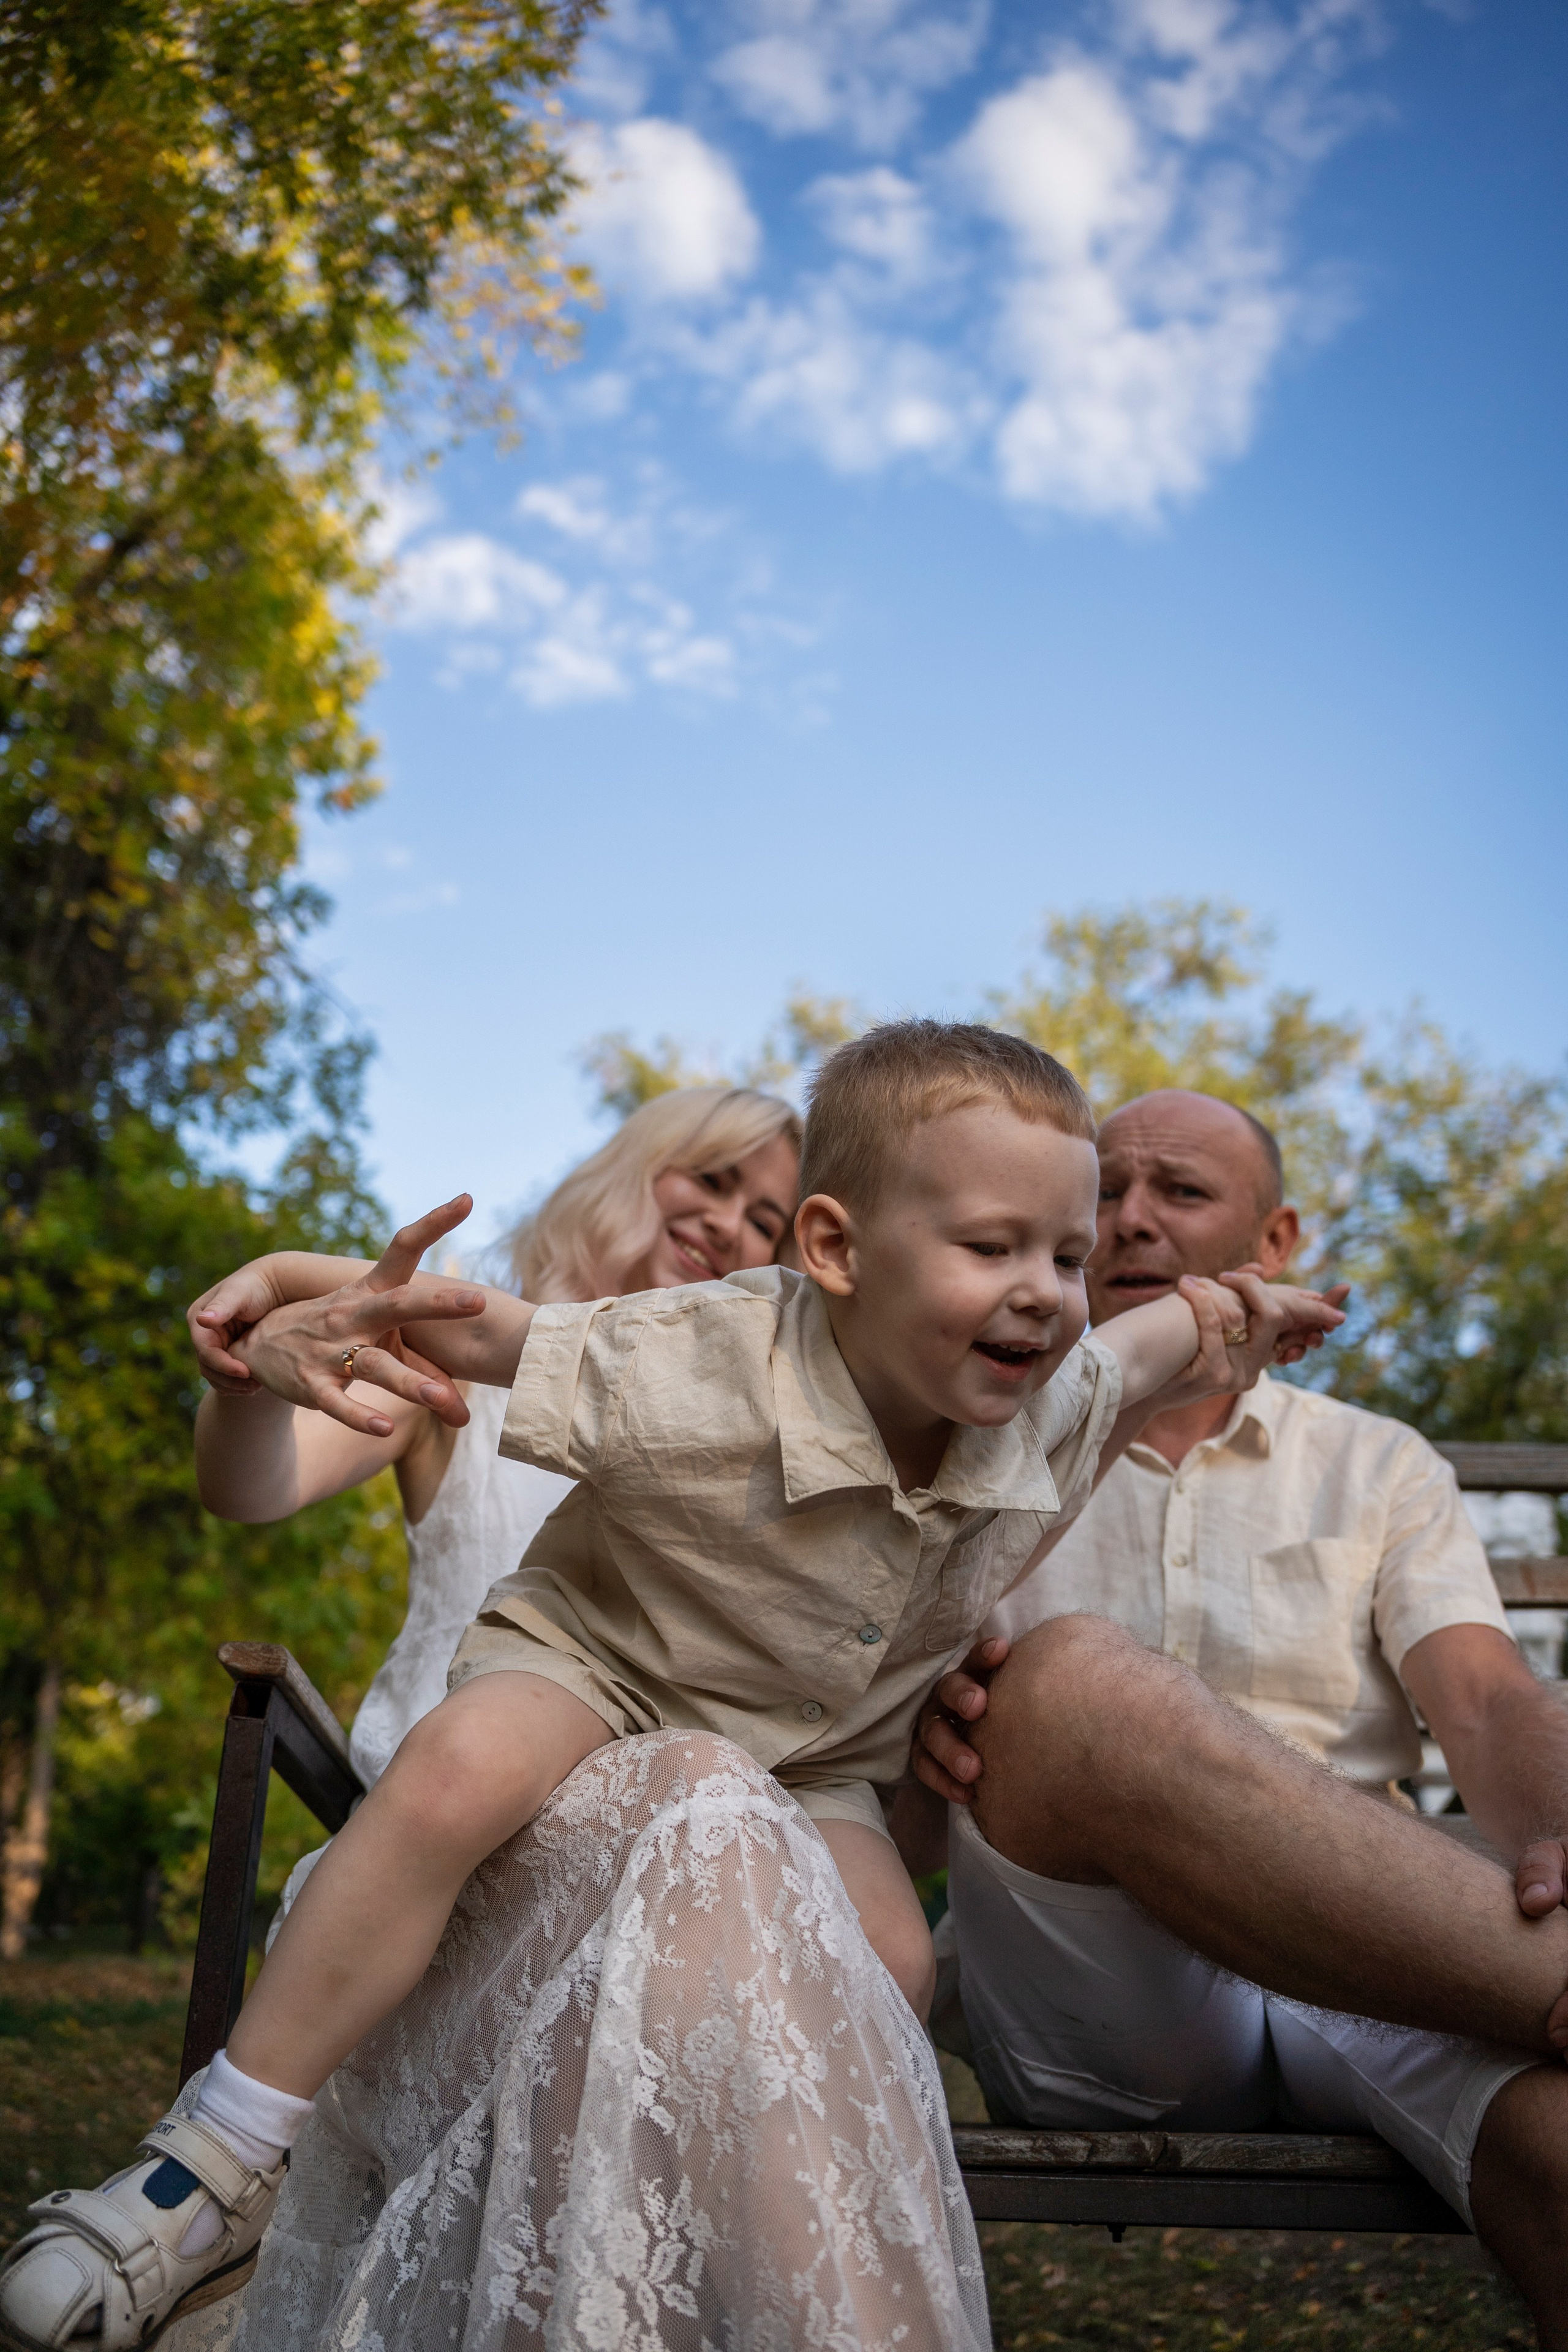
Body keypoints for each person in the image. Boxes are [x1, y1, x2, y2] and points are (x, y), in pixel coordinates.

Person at [0, 1025, 1342, 2352]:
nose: (1048, 1291)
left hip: (806, 1757)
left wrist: (1239, 1317)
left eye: (1065, 1251)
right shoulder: (691, 1353)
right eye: (993, 1248)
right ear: (831, 1252)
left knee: (884, 1956)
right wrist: (289, 1282)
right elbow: (471, 1330)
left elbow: (1153, 1343)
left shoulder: (1046, 1385)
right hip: (603, 1667)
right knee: (457, 1770)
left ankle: (774, 2269)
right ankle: (213, 2163)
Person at [906, 1088, 1568, 2346]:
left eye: (1179, 1193)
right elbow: (877, 1765)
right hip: (1093, 1975)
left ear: (1274, 1246)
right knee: (1071, 1685)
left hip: (1372, 1947)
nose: (1128, 1221)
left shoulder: (1375, 1464)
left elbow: (1483, 1698)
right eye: (1101, 1192)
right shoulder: (968, 1437)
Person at [187, 1084, 802, 1789]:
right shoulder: (451, 1346)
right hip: (441, 1814)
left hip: (662, 1837)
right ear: (637, 1166)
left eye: (761, 1220)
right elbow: (250, 1491)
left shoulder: (759, 1431)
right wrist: (257, 1379)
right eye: (710, 1179)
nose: (726, 1223)